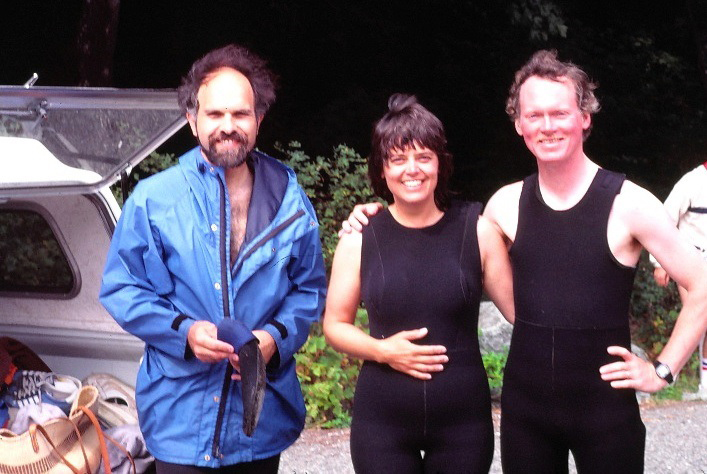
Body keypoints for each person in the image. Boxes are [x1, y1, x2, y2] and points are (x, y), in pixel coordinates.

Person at [343, 51, 707, 473]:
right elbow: (434, 241)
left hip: (605, 412)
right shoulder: (505, 205)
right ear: (519, 124)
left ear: (585, 117)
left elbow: (701, 284)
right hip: (526, 418)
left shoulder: (630, 204)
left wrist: (663, 370)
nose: (547, 126)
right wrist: (376, 214)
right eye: (535, 115)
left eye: (560, 113)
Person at [99, 44, 327, 473]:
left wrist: (275, 338)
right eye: (214, 114)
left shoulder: (291, 203)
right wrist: (183, 333)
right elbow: (122, 287)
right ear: (192, 120)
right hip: (179, 415)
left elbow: (309, 289)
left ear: (259, 119)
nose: (228, 126)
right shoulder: (154, 199)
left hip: (258, 422)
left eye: (241, 114)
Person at [324, 94, 514, 473]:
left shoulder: (477, 231)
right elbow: (334, 326)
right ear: (382, 170)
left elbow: (523, 314)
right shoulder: (360, 237)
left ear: (440, 164)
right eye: (398, 159)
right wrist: (384, 352)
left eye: (424, 157)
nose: (413, 169)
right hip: (382, 424)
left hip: (464, 423)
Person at [651, 161, 707, 398]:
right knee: (700, 321)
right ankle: (680, 378)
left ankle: (704, 384)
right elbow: (662, 221)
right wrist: (659, 262)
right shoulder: (692, 182)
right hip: (692, 262)